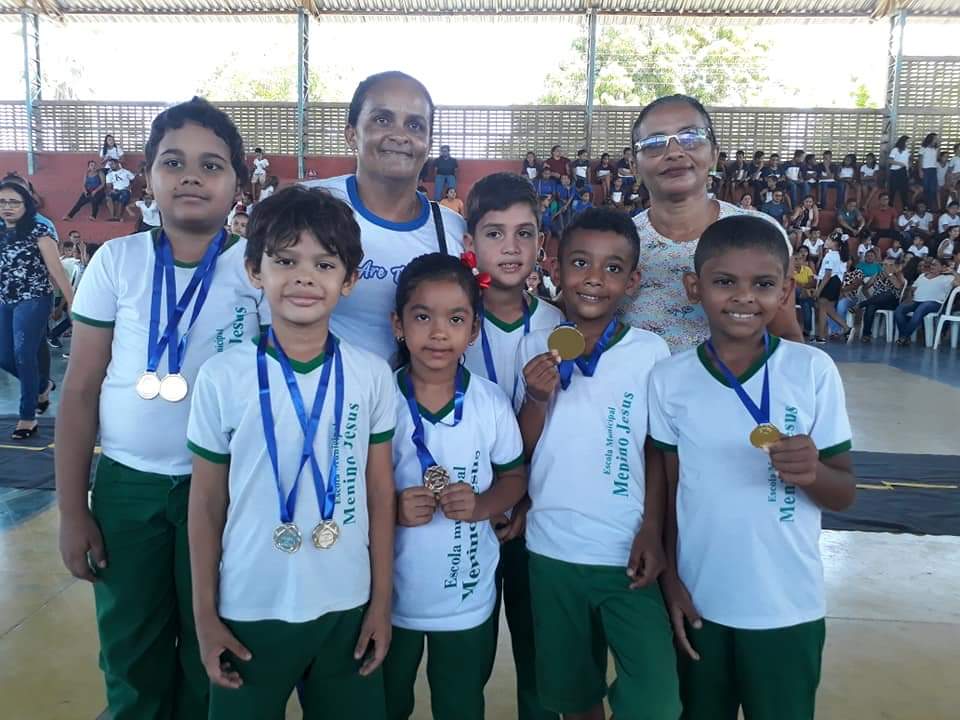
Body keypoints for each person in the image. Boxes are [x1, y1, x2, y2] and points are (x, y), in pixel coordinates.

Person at [54, 97, 269, 720]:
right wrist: (73, 510)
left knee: (218, 650)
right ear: (148, 175)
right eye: (174, 162)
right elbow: (80, 389)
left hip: (226, 488)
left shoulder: (257, 269)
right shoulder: (118, 264)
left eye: (212, 164)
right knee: (131, 652)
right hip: (127, 487)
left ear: (238, 180)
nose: (192, 177)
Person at [187, 186, 394, 719]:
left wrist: (381, 602)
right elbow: (207, 504)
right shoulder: (221, 377)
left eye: (324, 264)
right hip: (248, 607)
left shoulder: (371, 375)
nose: (304, 277)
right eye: (285, 260)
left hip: (347, 605)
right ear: (256, 271)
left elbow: (378, 493)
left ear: (349, 280)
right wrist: (206, 616)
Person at [650, 214, 856, 720]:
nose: (744, 298)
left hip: (788, 607)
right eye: (725, 282)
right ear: (693, 287)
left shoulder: (812, 371)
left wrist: (813, 472)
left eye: (763, 284)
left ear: (785, 292)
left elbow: (843, 493)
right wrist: (671, 581)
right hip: (701, 603)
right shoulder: (668, 379)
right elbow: (672, 490)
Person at [515, 208, 680, 720]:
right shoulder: (534, 345)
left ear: (632, 281)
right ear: (555, 267)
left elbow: (655, 450)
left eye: (612, 268)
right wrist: (537, 399)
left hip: (625, 552)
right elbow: (519, 450)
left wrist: (653, 530)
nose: (593, 278)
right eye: (580, 263)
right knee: (574, 694)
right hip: (551, 551)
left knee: (656, 697)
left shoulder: (650, 352)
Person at [384, 252, 526, 720]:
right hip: (390, 601)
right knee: (386, 702)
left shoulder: (489, 402)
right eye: (422, 317)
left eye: (455, 318)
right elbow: (354, 488)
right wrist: (393, 508)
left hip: (467, 598)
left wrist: (485, 504)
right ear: (398, 325)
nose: (439, 332)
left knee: (461, 703)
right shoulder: (379, 399)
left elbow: (514, 478)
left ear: (474, 329)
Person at [460, 173, 563, 720]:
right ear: (469, 243)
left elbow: (563, 433)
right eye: (495, 233)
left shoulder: (558, 325)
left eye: (525, 234)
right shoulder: (448, 321)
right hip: (463, 517)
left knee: (538, 656)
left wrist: (520, 500)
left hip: (533, 518)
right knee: (465, 661)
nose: (511, 247)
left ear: (540, 245)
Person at [303, 71, 465, 362]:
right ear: (351, 133)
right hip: (321, 401)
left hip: (416, 405)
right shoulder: (308, 207)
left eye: (415, 125)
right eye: (382, 119)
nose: (400, 135)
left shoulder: (452, 230)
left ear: (428, 143)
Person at [621, 94, 801, 353]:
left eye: (691, 138)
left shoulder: (762, 233)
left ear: (714, 155)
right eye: (654, 143)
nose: (674, 153)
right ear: (633, 166)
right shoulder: (620, 245)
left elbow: (786, 336)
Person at [0, 181, 74, 439]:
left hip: (34, 300)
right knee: (4, 357)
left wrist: (71, 303)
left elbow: (57, 271)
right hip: (4, 300)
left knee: (23, 353)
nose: (7, 207)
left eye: (13, 202)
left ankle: (27, 416)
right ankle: (43, 385)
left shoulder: (40, 230)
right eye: (2, 202)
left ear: (26, 204)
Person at [894, 257, 959, 346]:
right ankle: (905, 336)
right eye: (931, 264)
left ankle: (903, 337)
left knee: (921, 309)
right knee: (899, 309)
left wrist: (952, 271)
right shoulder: (922, 275)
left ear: (943, 267)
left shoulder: (948, 278)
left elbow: (959, 283)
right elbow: (913, 288)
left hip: (934, 303)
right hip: (916, 301)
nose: (931, 266)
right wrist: (909, 297)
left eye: (935, 265)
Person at [813, 234, 851, 343]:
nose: (826, 240)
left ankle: (821, 336)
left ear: (835, 243)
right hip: (836, 283)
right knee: (829, 309)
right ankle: (847, 328)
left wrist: (818, 290)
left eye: (829, 239)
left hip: (829, 282)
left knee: (823, 308)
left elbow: (827, 274)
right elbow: (842, 274)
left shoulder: (830, 255)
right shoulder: (842, 255)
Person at [859, 258, 906, 343]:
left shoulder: (898, 274)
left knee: (887, 294)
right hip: (877, 301)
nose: (887, 267)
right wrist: (870, 299)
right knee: (870, 306)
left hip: (892, 302)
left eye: (890, 265)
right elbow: (864, 288)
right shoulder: (878, 274)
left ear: (895, 266)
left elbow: (899, 286)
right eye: (884, 264)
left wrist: (889, 275)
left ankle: (860, 305)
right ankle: (866, 335)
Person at [793, 251, 817, 338]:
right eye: (795, 259)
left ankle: (807, 330)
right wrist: (803, 288)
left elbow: (812, 283)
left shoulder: (807, 269)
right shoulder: (789, 271)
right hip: (792, 296)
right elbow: (791, 284)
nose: (798, 261)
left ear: (803, 260)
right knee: (796, 289)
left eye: (800, 259)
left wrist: (801, 286)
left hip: (805, 295)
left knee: (806, 304)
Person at [888, 135, 911, 210]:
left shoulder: (907, 151)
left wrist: (907, 171)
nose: (908, 143)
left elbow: (907, 162)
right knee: (892, 190)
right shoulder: (895, 150)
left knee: (904, 190)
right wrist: (900, 164)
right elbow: (890, 160)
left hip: (903, 171)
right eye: (907, 141)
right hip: (895, 171)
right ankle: (890, 206)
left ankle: (905, 207)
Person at [919, 133, 940, 211]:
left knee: (932, 189)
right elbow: (920, 160)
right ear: (931, 139)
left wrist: (938, 147)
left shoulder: (936, 148)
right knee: (926, 188)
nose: (936, 140)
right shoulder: (923, 148)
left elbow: (937, 158)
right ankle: (923, 206)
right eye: (935, 138)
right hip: (925, 169)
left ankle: (929, 207)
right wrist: (920, 170)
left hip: (933, 169)